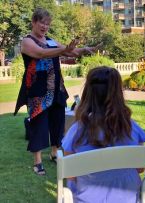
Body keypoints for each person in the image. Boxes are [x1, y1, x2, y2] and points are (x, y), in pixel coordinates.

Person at [14, 8, 103, 175]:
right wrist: (64, 50)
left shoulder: (51, 41)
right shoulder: (27, 41)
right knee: (39, 125)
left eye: (48, 24)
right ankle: (37, 161)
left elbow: (71, 51)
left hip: (56, 89)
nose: (45, 26)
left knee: (58, 122)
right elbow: (41, 54)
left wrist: (85, 49)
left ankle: (55, 154)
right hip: (38, 91)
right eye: (42, 22)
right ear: (33, 22)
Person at [62, 67, 145, 203]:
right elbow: (139, 168)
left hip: (86, 199)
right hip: (127, 198)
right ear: (118, 94)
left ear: (88, 94)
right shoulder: (132, 128)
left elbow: (71, 176)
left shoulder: (76, 131)